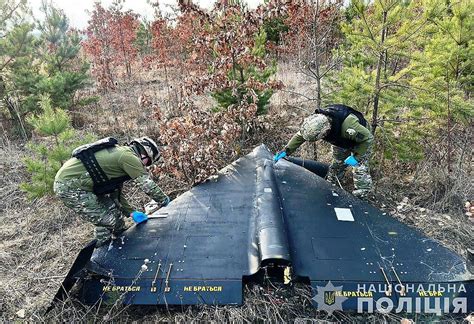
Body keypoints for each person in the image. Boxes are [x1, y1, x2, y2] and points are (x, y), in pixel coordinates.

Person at [54, 136, 169, 247]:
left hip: (84, 184)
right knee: (108, 220)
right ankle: (101, 250)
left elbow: (116, 193)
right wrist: (164, 201)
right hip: (69, 185)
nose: (146, 166)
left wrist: (131, 212)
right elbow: (146, 184)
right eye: (148, 162)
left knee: (117, 219)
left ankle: (119, 244)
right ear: (144, 154)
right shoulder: (128, 157)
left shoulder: (122, 156)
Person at [274, 104, 374, 199]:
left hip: (361, 142)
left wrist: (356, 157)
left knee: (360, 169)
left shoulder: (349, 126)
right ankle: (332, 187)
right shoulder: (314, 123)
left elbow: (368, 138)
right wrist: (286, 151)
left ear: (325, 132)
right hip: (340, 140)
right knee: (337, 164)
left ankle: (363, 197)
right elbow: (300, 136)